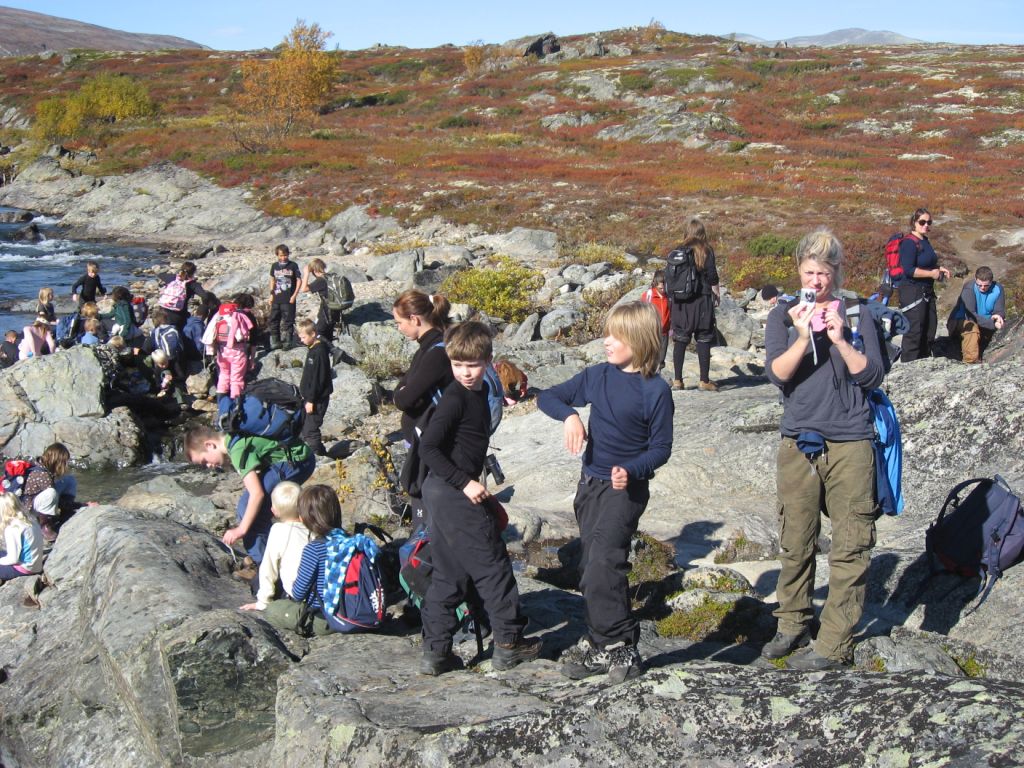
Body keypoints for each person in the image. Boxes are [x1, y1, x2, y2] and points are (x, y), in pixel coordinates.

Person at [762, 228, 885, 671]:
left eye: (824, 273)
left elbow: (872, 375)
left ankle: (834, 644)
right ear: (799, 270)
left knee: (850, 545)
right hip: (798, 439)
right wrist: (801, 336)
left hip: (851, 440)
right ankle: (792, 622)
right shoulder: (782, 315)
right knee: (795, 539)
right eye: (809, 272)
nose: (816, 281)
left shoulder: (857, 312)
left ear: (837, 272)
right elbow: (777, 375)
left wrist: (840, 339)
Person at [538, 302, 674, 683]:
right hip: (590, 486)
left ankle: (622, 646)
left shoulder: (656, 391)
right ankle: (600, 644)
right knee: (587, 567)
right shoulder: (597, 376)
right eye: (606, 333)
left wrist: (631, 470)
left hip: (625, 491)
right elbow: (547, 396)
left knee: (604, 562)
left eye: (617, 336)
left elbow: (662, 448)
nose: (606, 341)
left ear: (640, 340)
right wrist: (570, 415)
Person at [418, 321, 541, 675]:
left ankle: (436, 653)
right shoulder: (455, 398)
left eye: (472, 365)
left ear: (488, 362)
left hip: (441, 493)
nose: (465, 372)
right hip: (454, 492)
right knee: (493, 568)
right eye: (458, 365)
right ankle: (509, 644)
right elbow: (428, 448)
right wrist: (465, 483)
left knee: (449, 573)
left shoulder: (479, 391)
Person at [186, 424, 315, 585]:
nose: (208, 466)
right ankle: (273, 557)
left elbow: (257, 494)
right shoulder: (233, 438)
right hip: (298, 457)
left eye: (204, 461)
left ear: (210, 445)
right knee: (250, 510)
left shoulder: (237, 450)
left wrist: (241, 530)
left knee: (250, 514)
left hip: (297, 461)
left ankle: (269, 571)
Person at [392, 290, 454, 529]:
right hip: (423, 439)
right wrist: (404, 391)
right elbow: (404, 390)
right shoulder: (427, 348)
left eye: (399, 322)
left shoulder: (435, 353)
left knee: (426, 512)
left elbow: (404, 398)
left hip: (429, 444)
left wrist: (403, 393)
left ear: (414, 319)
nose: (398, 328)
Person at [239, 481, 313, 622]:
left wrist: (263, 602)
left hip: (295, 593)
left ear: (274, 511)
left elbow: (268, 568)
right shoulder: (313, 528)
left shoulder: (278, 530)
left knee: (258, 581)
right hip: (315, 591)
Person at [669, 218, 721, 391]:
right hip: (701, 301)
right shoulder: (706, 250)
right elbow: (712, 276)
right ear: (702, 233)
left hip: (680, 302)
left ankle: (678, 380)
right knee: (703, 338)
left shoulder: (678, 250)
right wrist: (716, 293)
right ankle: (704, 380)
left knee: (680, 339)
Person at [897, 209, 951, 361]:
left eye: (929, 222)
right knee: (914, 333)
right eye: (922, 222)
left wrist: (939, 268)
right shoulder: (909, 243)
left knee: (929, 329)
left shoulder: (924, 241)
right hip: (912, 292)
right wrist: (931, 274)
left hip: (927, 291)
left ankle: (924, 363)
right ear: (914, 223)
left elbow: (926, 262)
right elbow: (909, 270)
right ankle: (909, 367)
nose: (926, 225)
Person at [946, 266, 1007, 364]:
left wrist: (998, 316)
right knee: (972, 328)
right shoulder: (969, 288)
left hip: (984, 321)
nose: (982, 288)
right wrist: (992, 324)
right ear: (975, 279)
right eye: (979, 285)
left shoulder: (998, 288)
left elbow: (999, 309)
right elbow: (971, 316)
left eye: (986, 285)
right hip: (961, 321)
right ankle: (971, 362)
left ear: (991, 281)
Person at [202, 300, 254, 402]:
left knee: (223, 376)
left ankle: (221, 402)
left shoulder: (218, 317)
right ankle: (236, 403)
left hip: (222, 352)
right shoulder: (238, 316)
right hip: (237, 352)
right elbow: (246, 334)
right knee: (236, 379)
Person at [297, 318, 333, 457]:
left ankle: (319, 456)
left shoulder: (319, 352)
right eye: (300, 337)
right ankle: (316, 453)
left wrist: (311, 400)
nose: (301, 340)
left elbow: (318, 379)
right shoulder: (312, 349)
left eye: (303, 337)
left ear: (313, 334)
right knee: (304, 427)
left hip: (317, 399)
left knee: (310, 430)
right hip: (309, 397)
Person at [0, 493, 44, 582]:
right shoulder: (30, 519)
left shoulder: (13, 528)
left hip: (25, 568)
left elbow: (13, 559)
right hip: (36, 565)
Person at [267, 244, 302, 350]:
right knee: (273, 320)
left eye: (285, 255)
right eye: (281, 255)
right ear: (277, 255)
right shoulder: (274, 266)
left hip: (289, 299)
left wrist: (294, 295)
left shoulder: (293, 265)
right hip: (276, 298)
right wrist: (271, 294)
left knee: (288, 321)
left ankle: (288, 342)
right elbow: (272, 279)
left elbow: (299, 280)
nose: (283, 257)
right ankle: (275, 342)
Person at [159, 262, 212, 330]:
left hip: (162, 311)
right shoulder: (193, 284)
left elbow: (160, 274)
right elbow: (205, 296)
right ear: (193, 273)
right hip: (178, 314)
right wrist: (204, 305)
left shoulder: (172, 278)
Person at [301, 258, 342, 345]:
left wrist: (306, 273)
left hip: (326, 312)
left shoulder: (320, 280)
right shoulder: (331, 276)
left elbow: (304, 289)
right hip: (336, 310)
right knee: (329, 334)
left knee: (318, 333)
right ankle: (331, 350)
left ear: (314, 270)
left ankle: (330, 349)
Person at [640, 269, 671, 371]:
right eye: (660, 286)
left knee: (661, 358)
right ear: (655, 283)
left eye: (665, 285)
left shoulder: (668, 296)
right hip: (650, 332)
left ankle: (658, 373)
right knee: (649, 357)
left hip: (664, 332)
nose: (663, 288)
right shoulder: (648, 295)